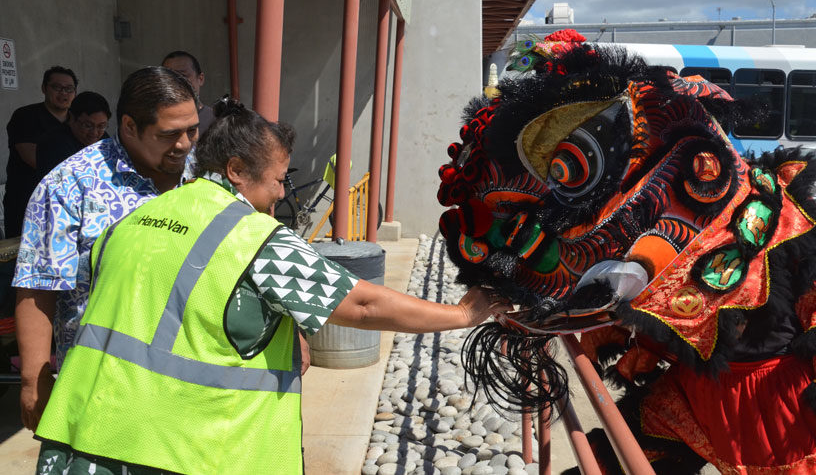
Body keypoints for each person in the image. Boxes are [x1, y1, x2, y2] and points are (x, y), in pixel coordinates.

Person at [32, 97, 510, 475]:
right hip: (175, 449)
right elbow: (361, 305)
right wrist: (463, 315)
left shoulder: (137, 217)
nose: (282, 192)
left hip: (83, 435)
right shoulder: (250, 236)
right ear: (237, 170)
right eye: (279, 179)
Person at [14, 67, 198, 434]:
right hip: (103, 391)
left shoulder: (203, 176)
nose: (184, 144)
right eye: (169, 134)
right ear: (129, 127)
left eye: (192, 130)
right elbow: (38, 283)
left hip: (191, 384)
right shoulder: (71, 185)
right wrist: (34, 379)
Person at [4, 66, 77, 238]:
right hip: (28, 204)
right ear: (44, 88)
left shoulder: (78, 121)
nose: (63, 93)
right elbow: (36, 159)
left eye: (69, 89)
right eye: (56, 87)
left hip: (66, 207)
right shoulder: (25, 116)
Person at [36, 91, 111, 175]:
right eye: (88, 125)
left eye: (101, 126)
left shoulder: (104, 139)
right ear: (72, 118)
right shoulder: (53, 143)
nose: (94, 133)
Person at [162, 50, 214, 135]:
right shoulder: (156, 120)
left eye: (183, 76)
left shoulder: (217, 122)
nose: (175, 81)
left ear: (200, 79)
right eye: (169, 76)